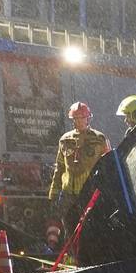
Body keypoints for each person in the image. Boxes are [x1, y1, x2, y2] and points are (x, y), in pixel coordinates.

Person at [48, 102, 109, 243]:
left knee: (90, 228)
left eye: (82, 118)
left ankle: (89, 258)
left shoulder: (99, 139)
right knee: (69, 227)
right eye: (75, 118)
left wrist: (106, 191)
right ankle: (72, 258)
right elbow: (60, 168)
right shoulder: (65, 140)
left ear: (88, 118)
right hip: (69, 194)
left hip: (90, 193)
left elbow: (108, 166)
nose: (78, 121)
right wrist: (54, 192)